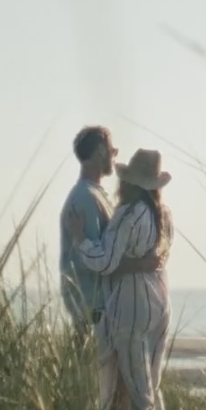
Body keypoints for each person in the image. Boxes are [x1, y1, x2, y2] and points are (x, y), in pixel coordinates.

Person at [66, 147, 173, 410]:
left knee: (139, 391)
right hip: (160, 298)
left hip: (132, 303)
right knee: (152, 387)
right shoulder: (162, 213)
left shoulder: (128, 212)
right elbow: (160, 256)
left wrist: (81, 240)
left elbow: (105, 260)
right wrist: (139, 262)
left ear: (128, 182)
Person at [59, 126, 117, 338]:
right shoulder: (86, 198)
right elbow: (93, 257)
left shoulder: (95, 194)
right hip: (92, 304)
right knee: (91, 365)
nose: (114, 155)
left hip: (96, 303)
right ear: (101, 151)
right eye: (112, 150)